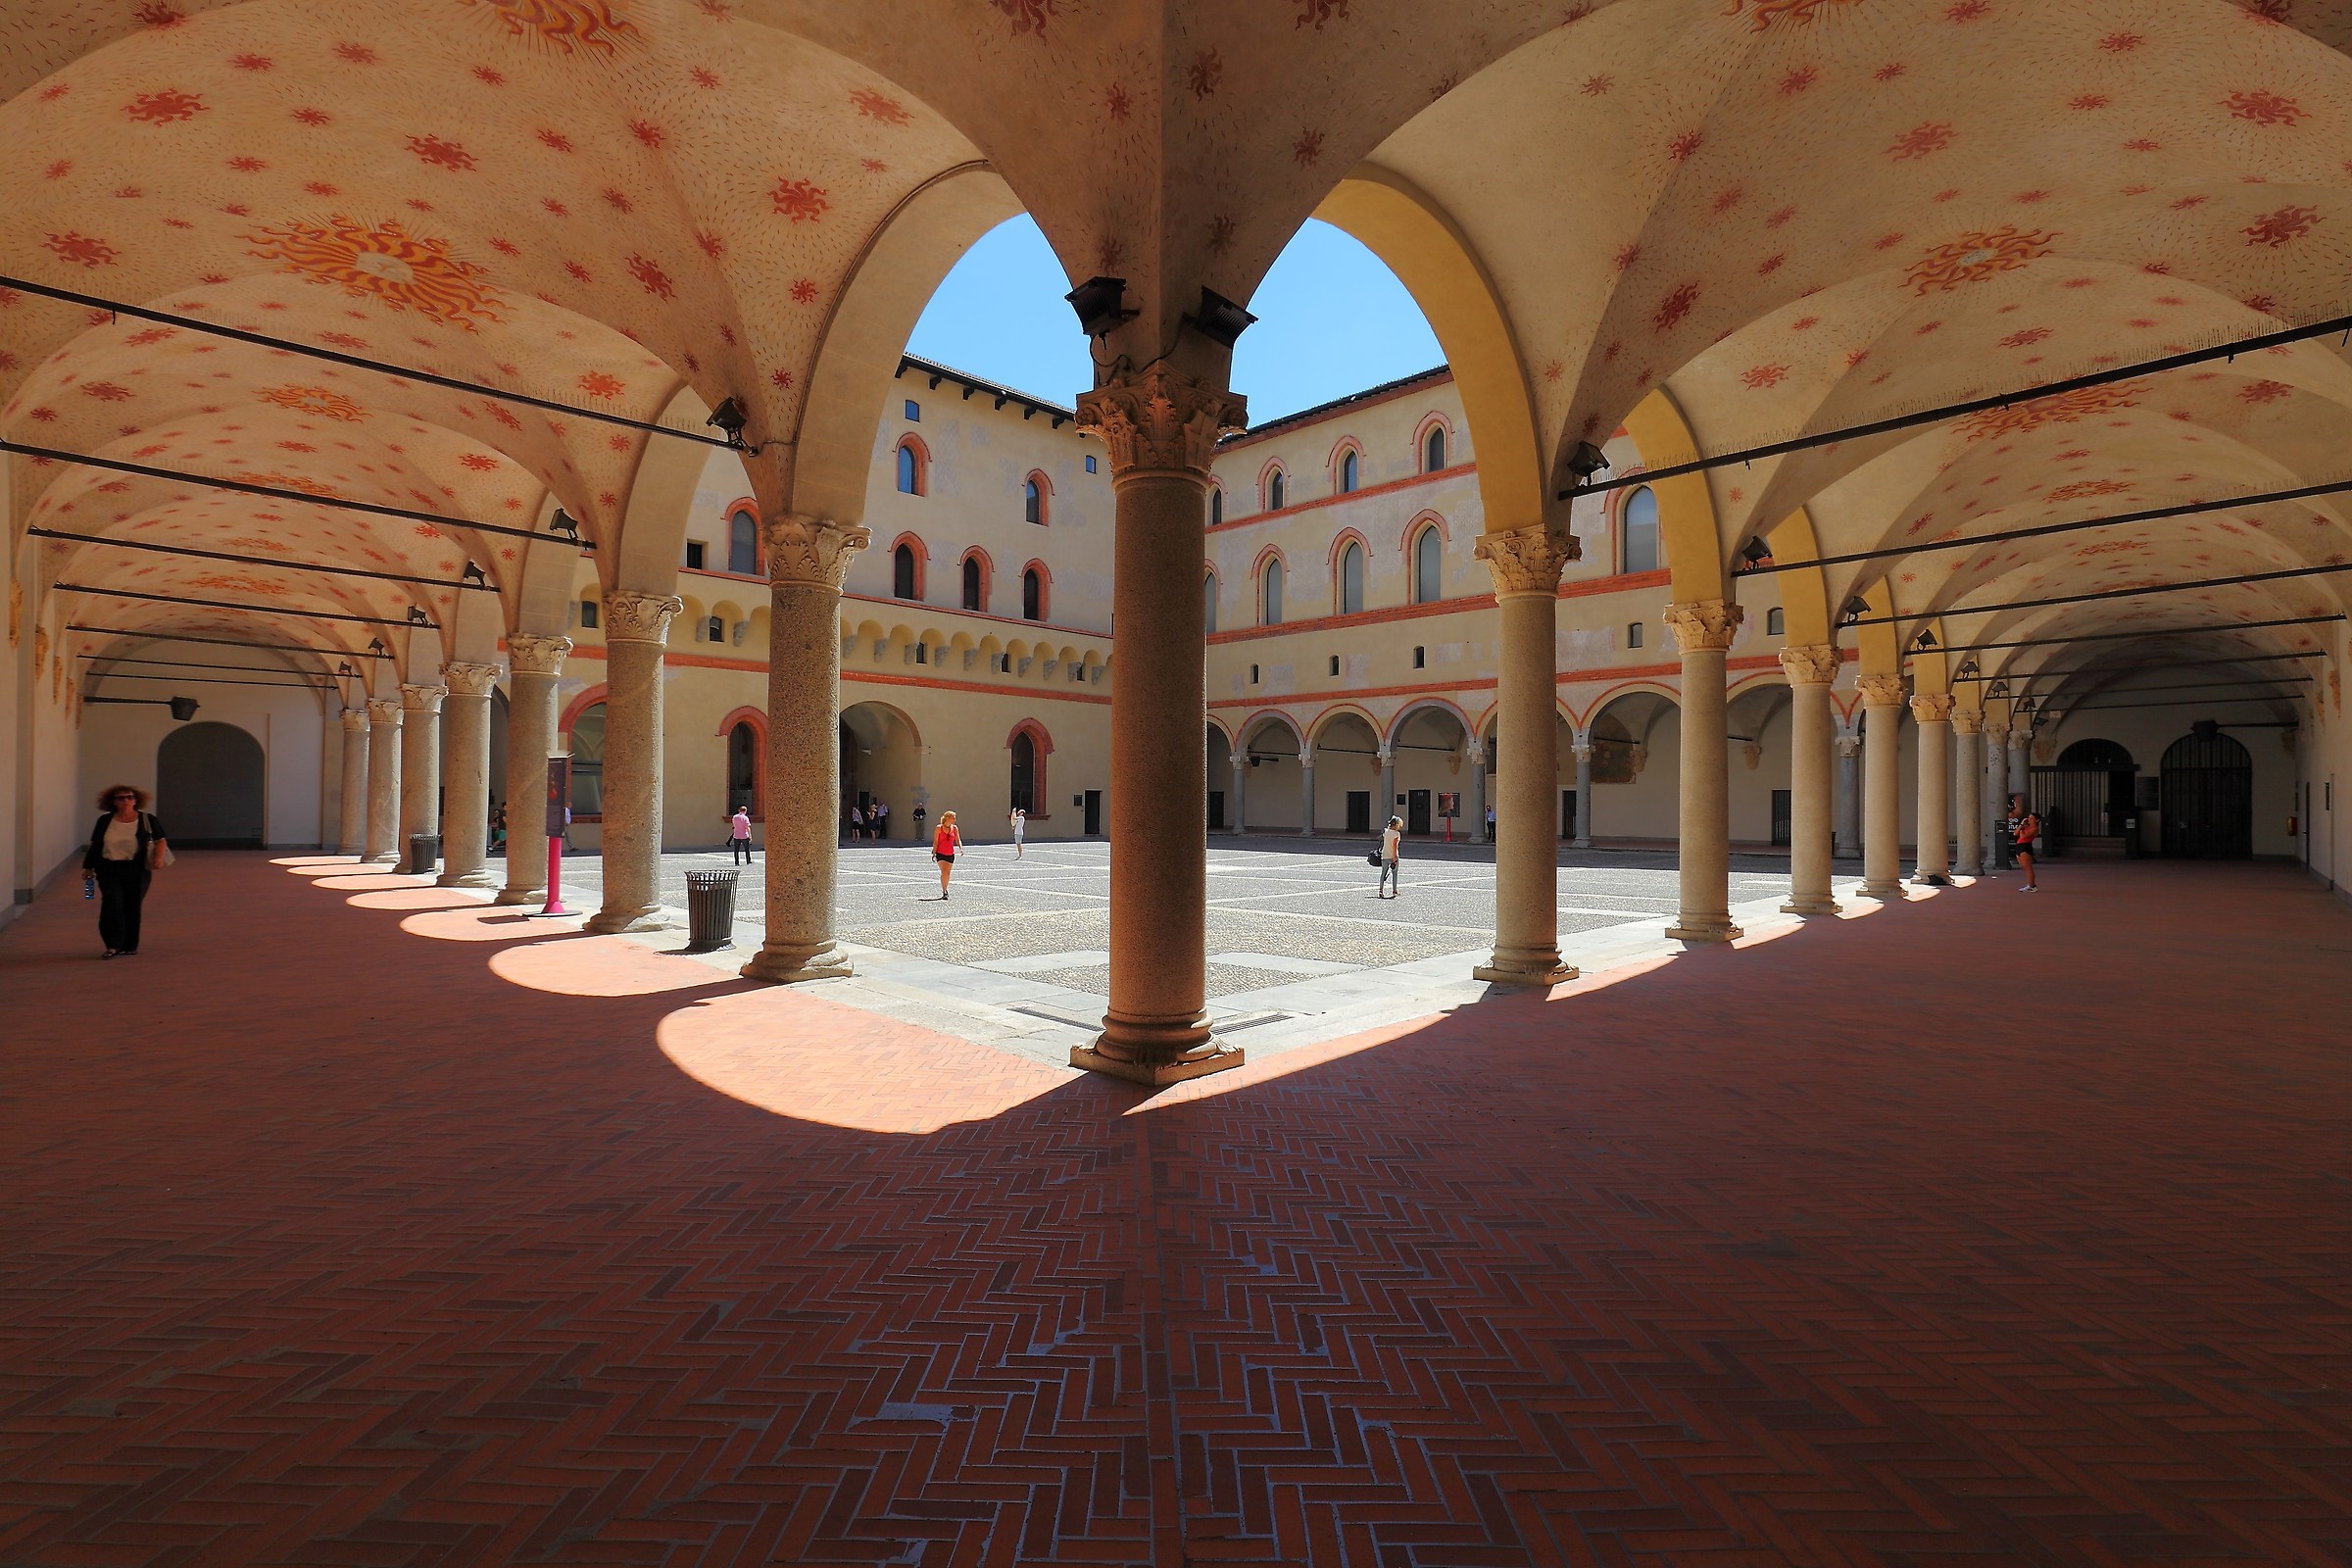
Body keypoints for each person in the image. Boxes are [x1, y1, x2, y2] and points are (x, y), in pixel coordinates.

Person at [82, 784, 168, 957]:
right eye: (121, 798)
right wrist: (88, 867)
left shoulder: (147, 819)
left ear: (136, 800)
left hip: (137, 869)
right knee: (112, 903)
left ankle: (129, 945)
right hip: (109, 868)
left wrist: (159, 858)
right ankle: (112, 945)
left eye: (130, 797)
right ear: (113, 802)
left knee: (132, 905)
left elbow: (160, 840)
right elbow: (96, 845)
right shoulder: (105, 820)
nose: (126, 801)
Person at [2010, 794, 2040, 891]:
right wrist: (2021, 825)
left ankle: (2032, 886)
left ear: (2037, 820)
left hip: (2025, 846)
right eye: (2029, 818)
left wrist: (2022, 829)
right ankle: (2029, 884)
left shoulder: (2035, 828)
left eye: (2032, 819)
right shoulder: (2025, 826)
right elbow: (2015, 833)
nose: (2030, 820)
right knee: (2023, 866)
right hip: (2019, 845)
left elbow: (2024, 836)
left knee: (2028, 867)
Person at [932, 809, 962, 899]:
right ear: (947, 818)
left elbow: (958, 839)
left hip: (950, 853)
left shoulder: (955, 828)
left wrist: (961, 848)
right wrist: (934, 853)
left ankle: (945, 889)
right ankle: (944, 891)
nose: (954, 820)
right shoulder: (939, 828)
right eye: (953, 818)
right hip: (940, 853)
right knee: (944, 871)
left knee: (947, 873)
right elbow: (935, 841)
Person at [1378, 813, 1402, 899]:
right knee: (1394, 874)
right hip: (1393, 856)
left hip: (1384, 855)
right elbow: (1394, 847)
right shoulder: (1396, 834)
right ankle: (1394, 890)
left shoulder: (1385, 832)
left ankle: (1380, 890)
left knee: (1383, 873)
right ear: (1396, 825)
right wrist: (1394, 859)